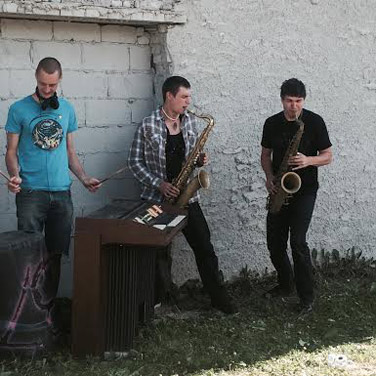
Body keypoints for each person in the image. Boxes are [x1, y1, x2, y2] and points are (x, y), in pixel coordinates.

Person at [128, 75, 236, 314]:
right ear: (169, 96)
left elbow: (191, 156)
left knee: (205, 248)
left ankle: (219, 299)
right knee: (156, 254)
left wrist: (199, 160)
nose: (188, 102)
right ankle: (154, 303)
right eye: (184, 97)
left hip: (188, 197)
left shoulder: (189, 123)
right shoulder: (148, 125)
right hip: (157, 199)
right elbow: (134, 162)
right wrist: (159, 184)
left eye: (189, 97)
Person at [5, 57, 101, 304]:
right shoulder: (18, 109)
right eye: (43, 84)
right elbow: (11, 152)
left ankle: (48, 312)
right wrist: (15, 175)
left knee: (56, 254)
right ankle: (26, 313)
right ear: (36, 78)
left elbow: (69, 152)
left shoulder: (67, 109)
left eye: (52, 85)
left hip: (61, 193)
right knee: (28, 254)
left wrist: (83, 177)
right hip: (30, 193)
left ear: (59, 81)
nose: (47, 89)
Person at [261, 78, 332, 314]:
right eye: (289, 101)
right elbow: (265, 155)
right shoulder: (271, 123)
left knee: (298, 242)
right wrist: (270, 177)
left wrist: (308, 160)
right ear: (282, 100)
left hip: (305, 190)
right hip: (280, 187)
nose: (294, 106)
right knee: (275, 244)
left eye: (298, 101)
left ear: (304, 100)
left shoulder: (314, 122)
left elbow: (328, 156)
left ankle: (306, 298)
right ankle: (285, 284)